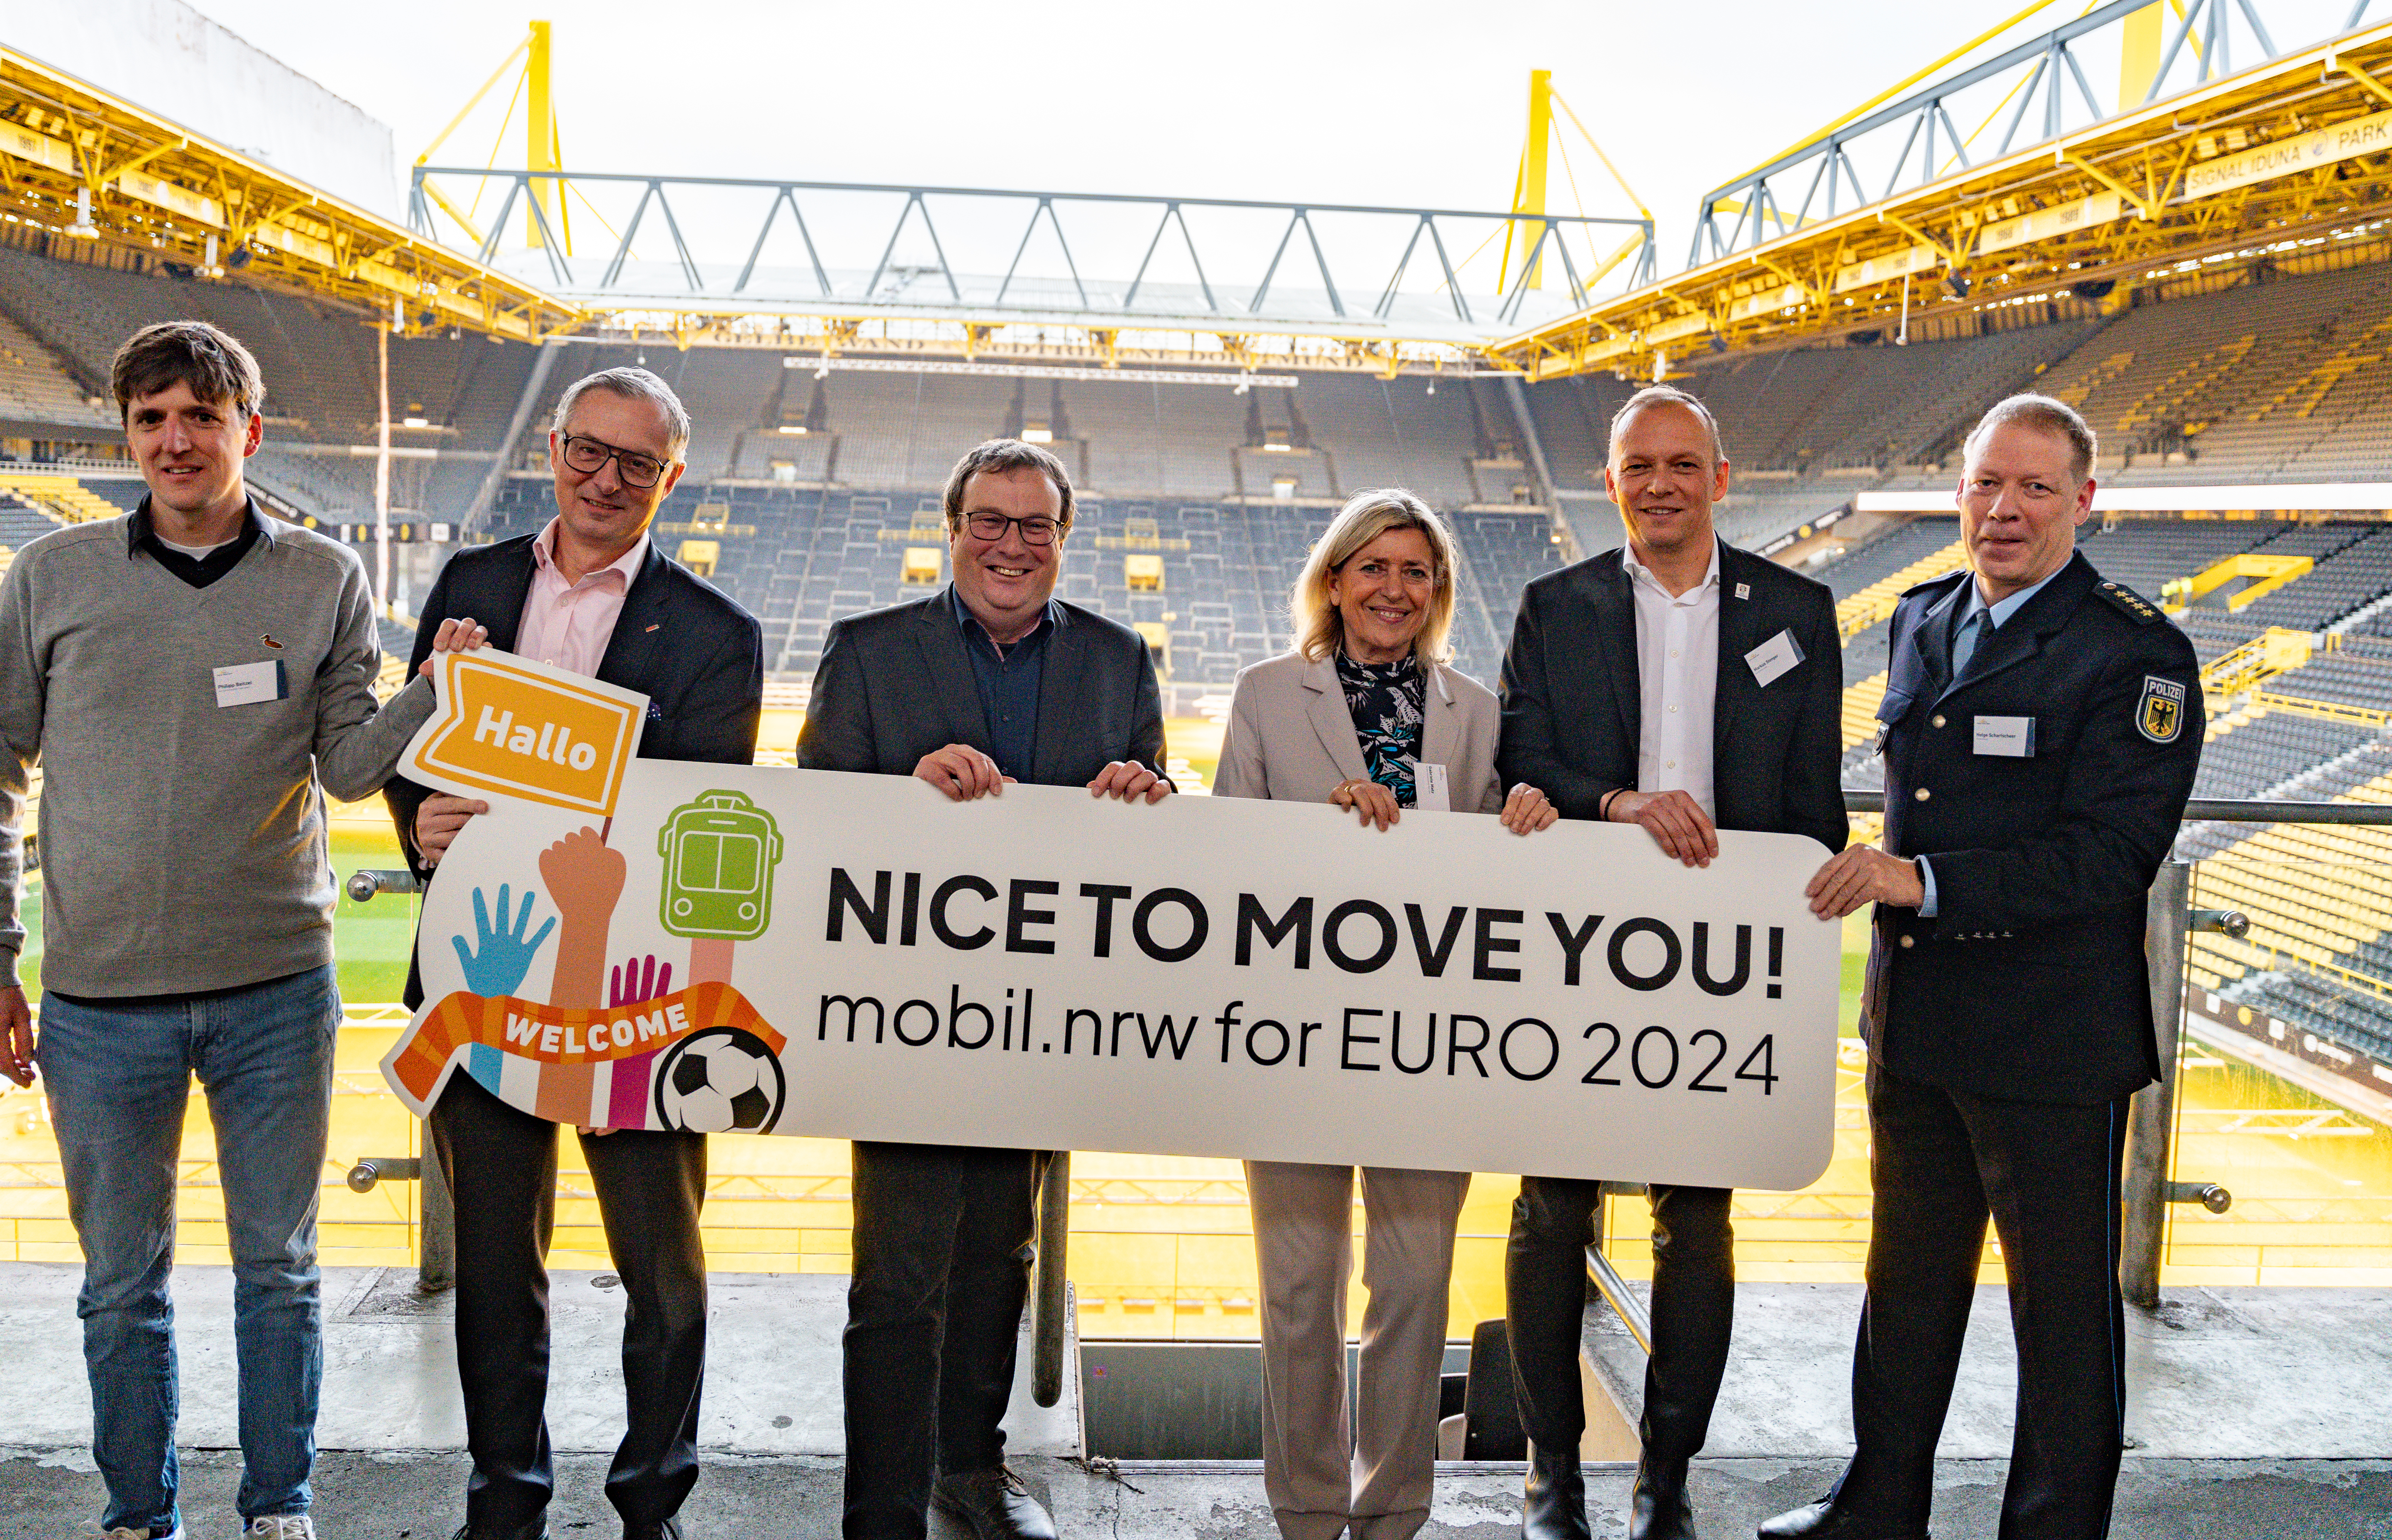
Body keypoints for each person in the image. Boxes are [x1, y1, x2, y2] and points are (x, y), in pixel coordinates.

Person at [0, 320, 482, 1540]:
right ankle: (141, 1513)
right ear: (127, 434)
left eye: (200, 416)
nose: (175, 441)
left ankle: (276, 1505)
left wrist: (434, 692)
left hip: (274, 993)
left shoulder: (322, 576)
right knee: (121, 1289)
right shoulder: (51, 576)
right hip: (98, 1003)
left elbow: (351, 771)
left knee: (281, 1278)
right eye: (151, 420)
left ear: (251, 430)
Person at [1760, 395, 2205, 1540]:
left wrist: (1926, 881)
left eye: (2034, 489)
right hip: (1917, 1028)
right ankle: (1877, 1505)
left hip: (2050, 1043)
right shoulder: (1924, 616)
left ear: (2082, 502)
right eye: (1984, 486)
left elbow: (2114, 854)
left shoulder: (2134, 650)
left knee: (2059, 1318)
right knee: (1903, 1288)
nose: (2004, 511)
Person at [382, 366, 763, 1540]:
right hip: (482, 979)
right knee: (498, 1269)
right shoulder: (473, 580)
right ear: (552, 448)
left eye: (636, 463)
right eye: (587, 452)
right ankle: (506, 1499)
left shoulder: (717, 634)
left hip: (633, 1008)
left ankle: (655, 1504)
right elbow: (413, 745)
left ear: (671, 476)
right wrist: (420, 821)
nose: (606, 479)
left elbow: (697, 816)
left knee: (664, 1276)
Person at [798, 439, 1168, 1540]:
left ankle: (971, 1467)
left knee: (1001, 1258)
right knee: (898, 1272)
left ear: (1063, 538)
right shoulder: (867, 651)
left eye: (1036, 525)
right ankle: (881, 1507)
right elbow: (816, 814)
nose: (1013, 545)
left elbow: (1159, 813)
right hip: (904, 1020)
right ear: (952, 529)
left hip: (1043, 1027)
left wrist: (1146, 787)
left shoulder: (1116, 656)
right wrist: (902, 793)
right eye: (992, 523)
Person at [1496, 385, 1848, 1540]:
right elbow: (1522, 761)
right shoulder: (1558, 605)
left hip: (1722, 961)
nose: (1659, 483)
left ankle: (1668, 1473)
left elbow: (1812, 802)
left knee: (1697, 1223)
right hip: (1579, 948)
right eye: (1637, 465)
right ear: (1611, 483)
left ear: (1720, 476)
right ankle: (1553, 1469)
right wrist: (1617, 804)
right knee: (1553, 1211)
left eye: (1681, 463)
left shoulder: (1798, 609)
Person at [1214, 487, 1557, 1540]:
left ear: (1439, 592)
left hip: (1430, 1047)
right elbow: (1223, 861)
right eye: (1374, 567)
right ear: (1334, 580)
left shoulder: (1476, 710)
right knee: (1299, 1289)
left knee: (1413, 1288)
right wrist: (1319, 835)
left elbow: (1487, 876)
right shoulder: (1268, 693)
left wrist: (1524, 815)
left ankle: (1396, 1509)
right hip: (1294, 1040)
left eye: (1416, 572)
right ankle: (1310, 1511)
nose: (1394, 589)